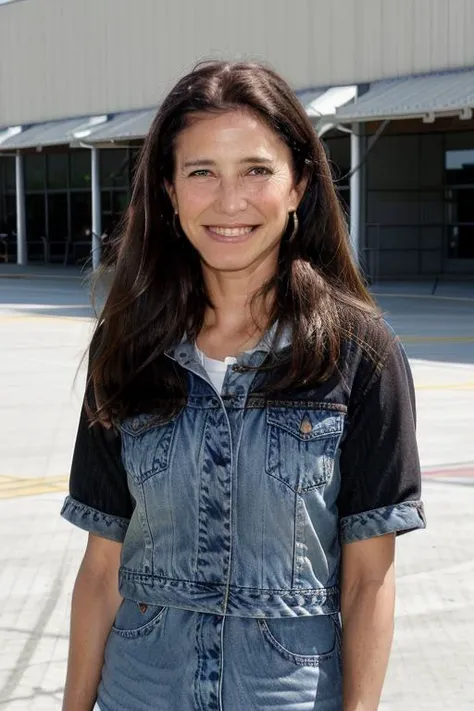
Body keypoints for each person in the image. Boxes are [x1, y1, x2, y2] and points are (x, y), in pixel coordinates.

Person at [60, 60, 426, 711]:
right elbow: (99, 571)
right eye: (202, 172)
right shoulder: (125, 349)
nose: (230, 201)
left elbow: (369, 581)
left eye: (256, 169)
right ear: (170, 192)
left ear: (299, 184)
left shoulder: (361, 354)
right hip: (139, 691)